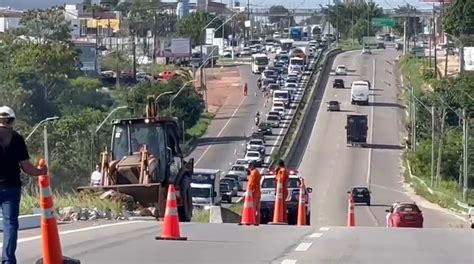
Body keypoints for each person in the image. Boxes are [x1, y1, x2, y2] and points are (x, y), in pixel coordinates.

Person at [0, 106, 47, 264]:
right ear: (12, 121)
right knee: (10, 223)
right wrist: (41, 172)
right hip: (11, 187)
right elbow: (26, 167)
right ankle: (8, 260)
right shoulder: (16, 138)